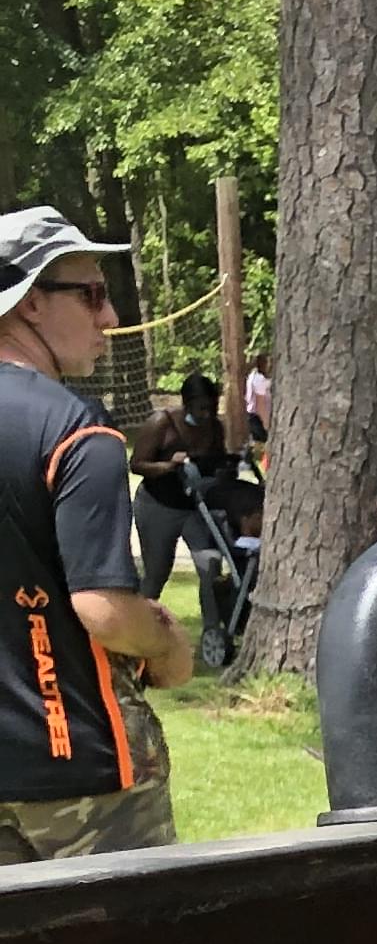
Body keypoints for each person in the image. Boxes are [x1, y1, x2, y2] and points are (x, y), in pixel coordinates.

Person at [0, 206, 196, 856]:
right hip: (82, 773)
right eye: (92, 294)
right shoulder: (77, 428)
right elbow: (106, 614)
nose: (109, 319)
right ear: (31, 302)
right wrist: (165, 642)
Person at [130, 373, 238, 599]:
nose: (207, 414)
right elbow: (137, 465)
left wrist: (224, 469)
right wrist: (169, 466)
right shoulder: (162, 423)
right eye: (201, 408)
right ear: (187, 404)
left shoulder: (215, 428)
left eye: (212, 407)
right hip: (157, 505)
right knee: (157, 573)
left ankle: (212, 630)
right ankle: (142, 624)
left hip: (193, 507)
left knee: (210, 565)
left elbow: (215, 464)